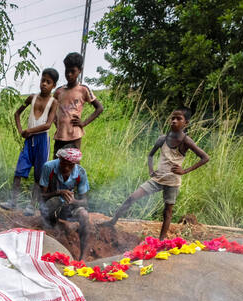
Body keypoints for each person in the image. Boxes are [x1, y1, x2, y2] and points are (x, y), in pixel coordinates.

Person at [106, 107, 210, 238]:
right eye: (172, 118)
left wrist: (184, 171)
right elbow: (150, 155)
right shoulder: (162, 139)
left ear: (186, 123)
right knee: (132, 197)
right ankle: (112, 221)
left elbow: (205, 158)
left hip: (172, 181)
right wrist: (151, 170)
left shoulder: (186, 141)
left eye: (179, 119)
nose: (174, 121)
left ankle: (161, 240)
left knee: (167, 212)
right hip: (157, 179)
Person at [4, 68, 59, 214]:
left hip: (42, 141)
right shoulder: (31, 98)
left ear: (53, 85)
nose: (44, 84)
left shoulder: (53, 102)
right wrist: (21, 130)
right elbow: (17, 113)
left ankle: (31, 206)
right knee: (19, 170)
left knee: (38, 175)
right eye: (43, 80)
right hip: (29, 141)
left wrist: (29, 131)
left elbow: (48, 124)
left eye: (48, 82)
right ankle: (12, 202)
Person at [39, 147, 92, 260]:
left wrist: (74, 202)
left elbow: (85, 202)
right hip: (52, 204)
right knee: (52, 203)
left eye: (70, 165)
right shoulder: (49, 167)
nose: (66, 167)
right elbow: (41, 196)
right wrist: (59, 193)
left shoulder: (81, 172)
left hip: (69, 206)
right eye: (63, 163)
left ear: (75, 163)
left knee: (84, 214)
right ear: (59, 159)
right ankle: (51, 225)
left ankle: (82, 258)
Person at [52, 52, 103, 158]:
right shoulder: (59, 91)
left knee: (73, 163)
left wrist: (83, 123)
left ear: (80, 70)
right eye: (67, 71)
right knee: (56, 163)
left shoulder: (83, 90)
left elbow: (99, 108)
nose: (69, 74)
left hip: (74, 135)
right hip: (60, 135)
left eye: (73, 71)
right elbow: (50, 108)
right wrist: (55, 120)